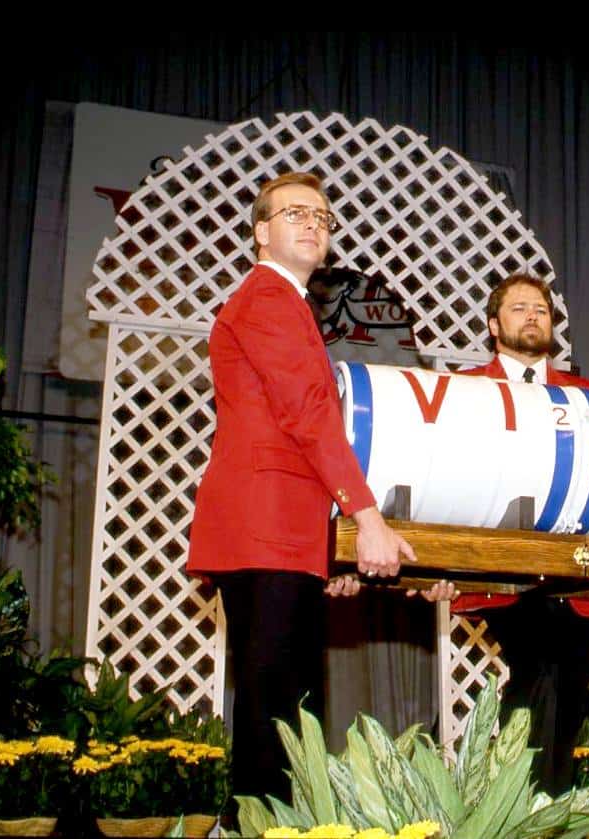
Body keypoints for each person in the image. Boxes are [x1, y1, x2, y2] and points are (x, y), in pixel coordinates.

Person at [186, 172, 418, 803]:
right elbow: (309, 414)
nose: (313, 224)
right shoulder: (267, 297)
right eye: (295, 213)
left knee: (285, 711)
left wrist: (326, 546)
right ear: (261, 233)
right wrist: (368, 518)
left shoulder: (287, 302)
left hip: (283, 531)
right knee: (276, 720)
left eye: (322, 216)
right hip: (266, 529)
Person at [448, 273, 589, 794]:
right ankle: (532, 803)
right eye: (519, 308)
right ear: (494, 326)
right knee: (544, 658)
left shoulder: (587, 395)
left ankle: (530, 802)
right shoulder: (466, 389)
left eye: (540, 309)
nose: (533, 316)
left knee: (568, 682)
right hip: (503, 568)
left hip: (573, 573)